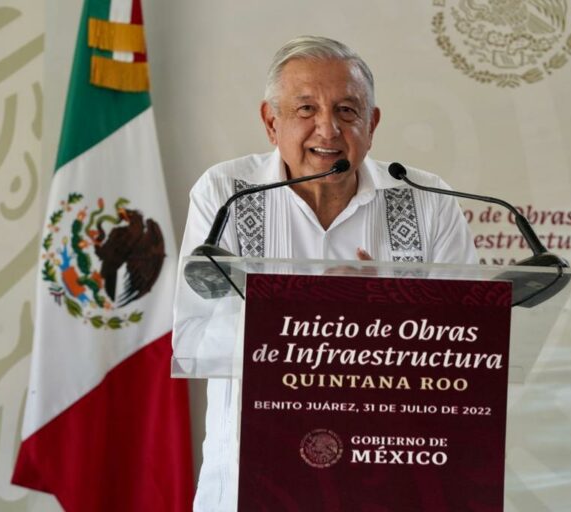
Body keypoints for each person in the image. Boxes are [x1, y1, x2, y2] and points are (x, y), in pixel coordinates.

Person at [178, 35, 477, 511]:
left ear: (372, 123)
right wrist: (311, 310)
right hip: (249, 483)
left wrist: (377, 314)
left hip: (391, 481)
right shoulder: (226, 193)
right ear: (270, 121)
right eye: (304, 110)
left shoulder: (427, 203)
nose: (327, 130)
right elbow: (193, 342)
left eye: (346, 110)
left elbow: (467, 345)